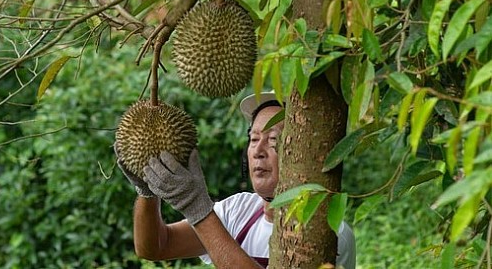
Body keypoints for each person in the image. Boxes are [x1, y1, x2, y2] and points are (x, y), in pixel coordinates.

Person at [115, 92, 356, 268]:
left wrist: (198, 209)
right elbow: (156, 246)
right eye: (253, 139)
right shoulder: (238, 210)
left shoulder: (329, 231)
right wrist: (147, 192)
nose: (258, 150)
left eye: (274, 140)